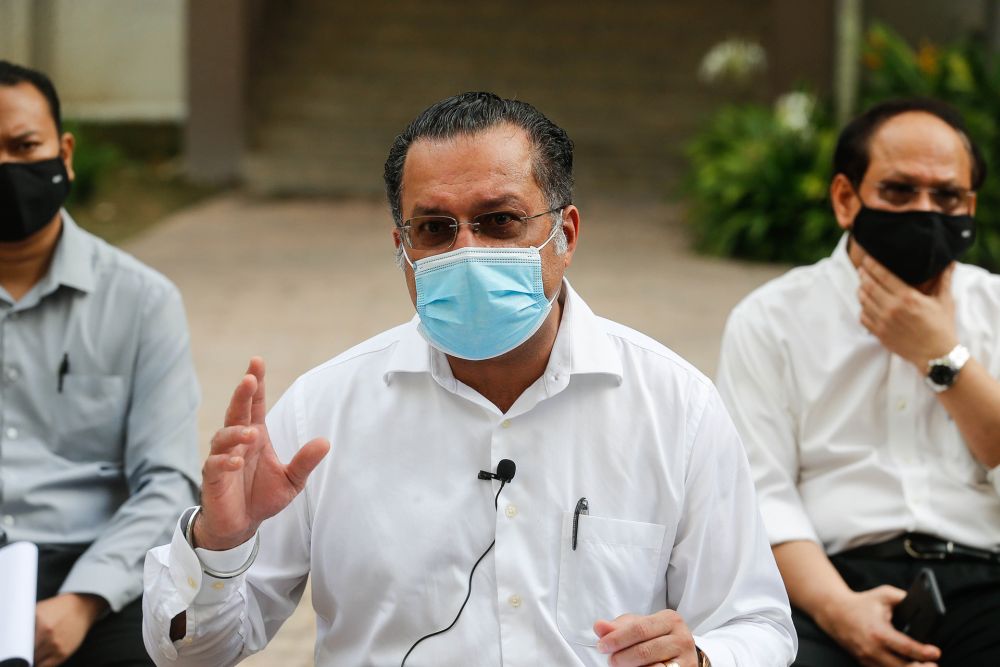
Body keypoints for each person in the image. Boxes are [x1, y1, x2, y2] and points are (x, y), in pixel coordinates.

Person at [141, 92, 796, 666]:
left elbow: (756, 623)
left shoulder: (673, 407)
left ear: (564, 233)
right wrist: (219, 543)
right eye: (434, 228)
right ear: (401, 246)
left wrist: (700, 657)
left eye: (499, 220)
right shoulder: (322, 413)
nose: (467, 249)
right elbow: (195, 651)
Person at [717, 97, 1000, 667]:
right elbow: (760, 493)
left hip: (985, 579)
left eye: (946, 197)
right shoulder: (771, 318)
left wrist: (941, 356)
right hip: (826, 582)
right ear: (847, 199)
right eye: (898, 191)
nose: (925, 211)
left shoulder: (994, 306)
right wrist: (839, 610)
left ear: (969, 206)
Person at [0, 60, 201, 667]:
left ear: (62, 152)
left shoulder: (141, 301)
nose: (6, 169)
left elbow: (168, 479)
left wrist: (83, 601)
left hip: (96, 570)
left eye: (23, 146)